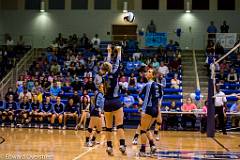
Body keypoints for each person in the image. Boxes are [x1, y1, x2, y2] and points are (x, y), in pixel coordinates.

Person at [99, 44, 126, 155]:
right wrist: (118, 51)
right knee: (119, 125)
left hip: (106, 103)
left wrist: (109, 52)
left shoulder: (103, 77)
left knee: (108, 128)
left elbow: (107, 64)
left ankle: (109, 147)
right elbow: (117, 63)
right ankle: (122, 145)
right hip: (115, 101)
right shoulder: (114, 74)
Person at [137, 67, 162, 157]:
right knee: (147, 128)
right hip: (155, 110)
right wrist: (158, 112)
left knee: (142, 130)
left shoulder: (148, 85)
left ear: (153, 75)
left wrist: (143, 109)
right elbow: (159, 100)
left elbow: (146, 98)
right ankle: (152, 146)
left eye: (149, 72)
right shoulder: (159, 86)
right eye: (147, 72)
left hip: (149, 109)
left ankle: (142, 150)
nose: (147, 73)